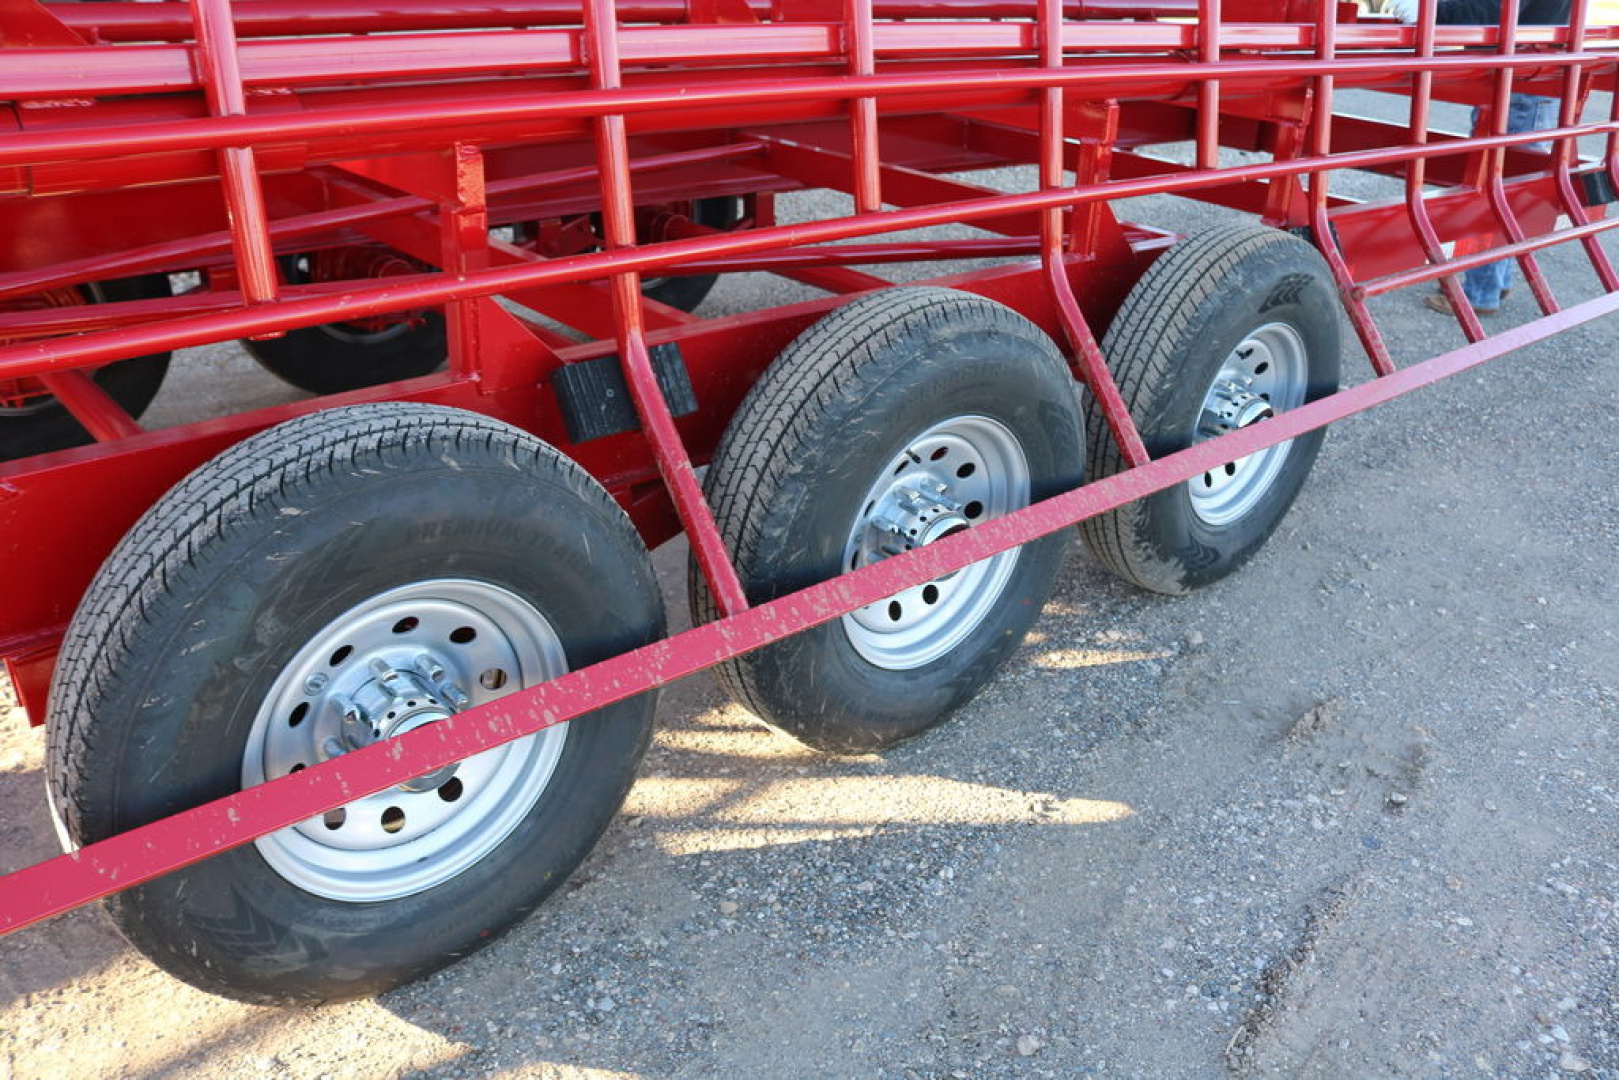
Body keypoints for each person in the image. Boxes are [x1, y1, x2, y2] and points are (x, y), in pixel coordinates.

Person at [1387, 0, 1571, 315]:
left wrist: (1432, 10)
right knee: (1510, 188)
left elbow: (1491, 9)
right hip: (1532, 77)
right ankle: (1494, 281)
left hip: (1517, 81)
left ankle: (1481, 293)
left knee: (1494, 188)